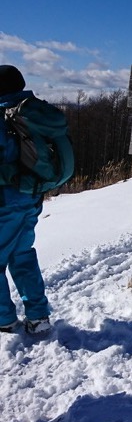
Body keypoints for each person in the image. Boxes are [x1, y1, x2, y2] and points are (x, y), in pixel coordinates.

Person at [0, 65, 51, 334]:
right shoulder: (33, 112)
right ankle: (39, 317)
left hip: (4, 203)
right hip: (31, 197)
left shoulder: (3, 117)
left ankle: (5, 321)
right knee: (22, 256)